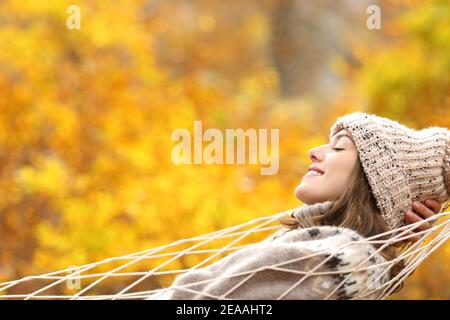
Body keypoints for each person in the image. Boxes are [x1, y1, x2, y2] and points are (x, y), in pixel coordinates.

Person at [150, 111, 450, 300]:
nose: (313, 152)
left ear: (375, 180)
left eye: (339, 147)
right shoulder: (325, 246)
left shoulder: (343, 260)